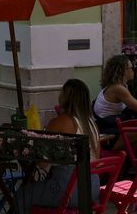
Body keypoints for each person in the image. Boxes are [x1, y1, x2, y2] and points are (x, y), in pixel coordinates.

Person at [27, 79, 104, 210]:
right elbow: (96, 157)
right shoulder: (92, 124)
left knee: (23, 195)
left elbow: (42, 161)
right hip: (92, 189)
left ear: (65, 98)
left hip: (69, 190)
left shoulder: (59, 122)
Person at [93, 56, 137, 154]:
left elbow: (132, 103)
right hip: (109, 136)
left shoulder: (116, 86)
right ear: (123, 71)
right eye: (131, 68)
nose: (133, 70)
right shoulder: (118, 88)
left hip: (113, 132)